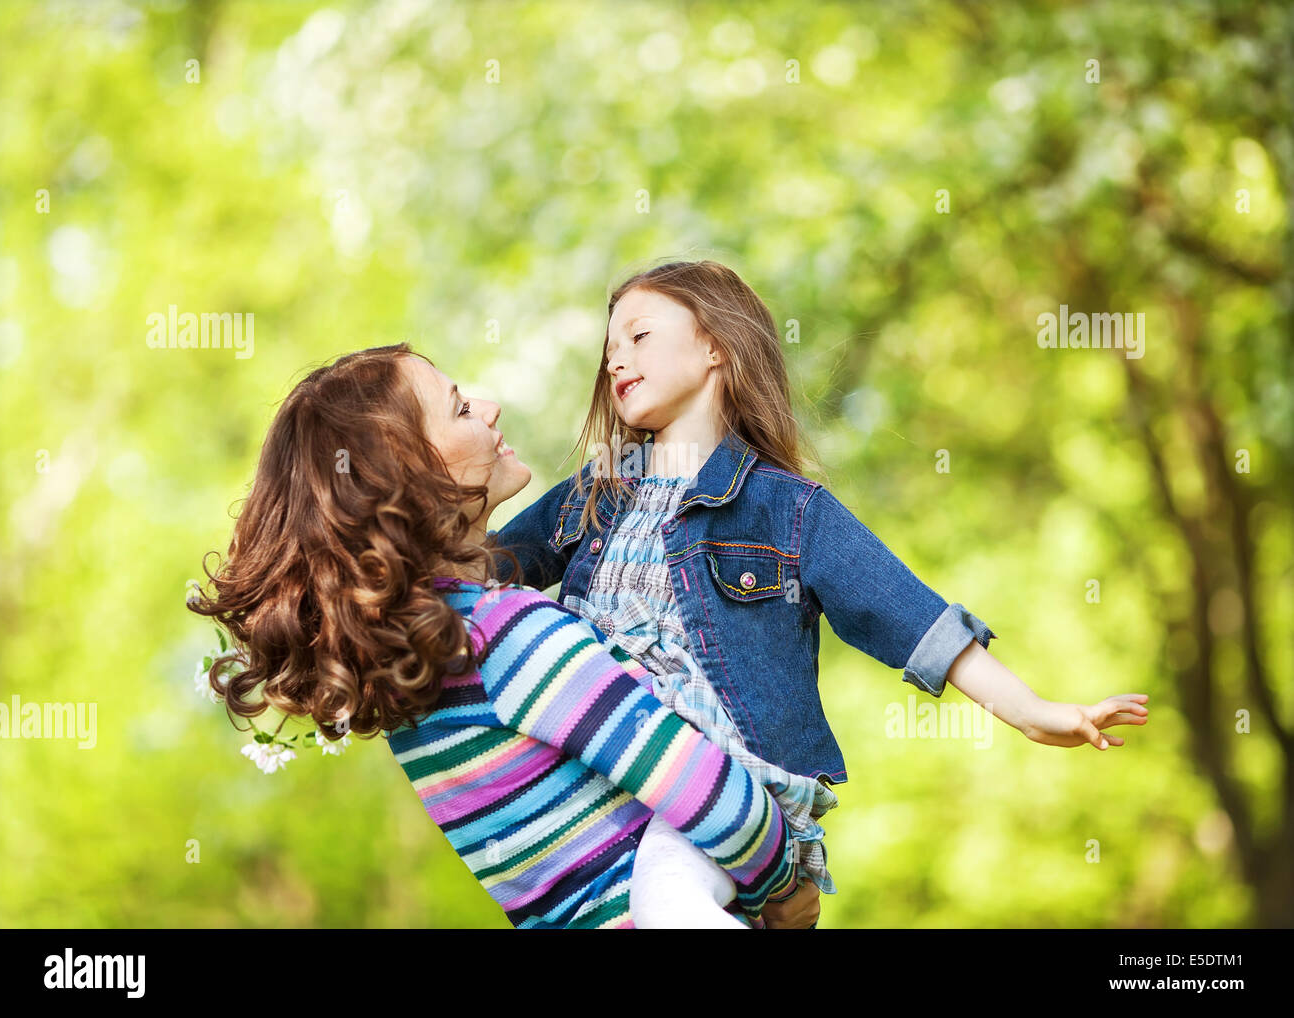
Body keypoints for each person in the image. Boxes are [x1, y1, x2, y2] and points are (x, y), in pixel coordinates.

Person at [492, 259, 1151, 928]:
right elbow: (477, 580)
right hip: (604, 782)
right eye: (609, 349)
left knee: (668, 903)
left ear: (716, 345)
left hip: (727, 784)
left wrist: (1034, 711)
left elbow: (908, 616)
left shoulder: (785, 509)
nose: (616, 360)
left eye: (639, 337)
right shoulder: (593, 495)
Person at [187, 344, 814, 929]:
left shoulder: (418, 681)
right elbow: (717, 798)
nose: (489, 407)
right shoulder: (503, 639)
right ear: (409, 478)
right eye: (460, 408)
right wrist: (785, 885)